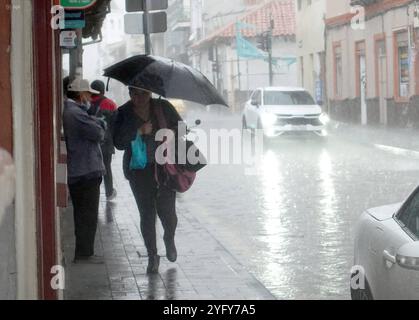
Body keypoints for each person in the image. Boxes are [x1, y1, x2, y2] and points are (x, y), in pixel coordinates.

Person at [113, 85, 182, 274]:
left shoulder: (163, 107)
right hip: (139, 171)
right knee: (147, 214)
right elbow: (118, 142)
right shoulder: (124, 113)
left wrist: (172, 133)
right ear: (129, 93)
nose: (139, 97)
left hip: (165, 168)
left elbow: (182, 128)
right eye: (134, 93)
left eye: (143, 93)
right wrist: (138, 132)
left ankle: (169, 237)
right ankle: (152, 255)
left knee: (168, 213)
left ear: (150, 93)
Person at [63, 78, 106, 264]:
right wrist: (100, 124)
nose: (90, 97)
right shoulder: (75, 113)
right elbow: (98, 134)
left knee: (84, 214)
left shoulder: (76, 112)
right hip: (85, 171)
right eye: (87, 93)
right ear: (81, 95)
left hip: (82, 170)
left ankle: (84, 251)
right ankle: (84, 253)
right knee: (87, 215)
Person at [89, 80, 118, 201]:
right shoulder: (110, 104)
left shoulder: (87, 104)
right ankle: (109, 192)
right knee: (106, 167)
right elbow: (116, 124)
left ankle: (93, 193)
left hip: (91, 143)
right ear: (103, 91)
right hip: (106, 144)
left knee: (92, 169)